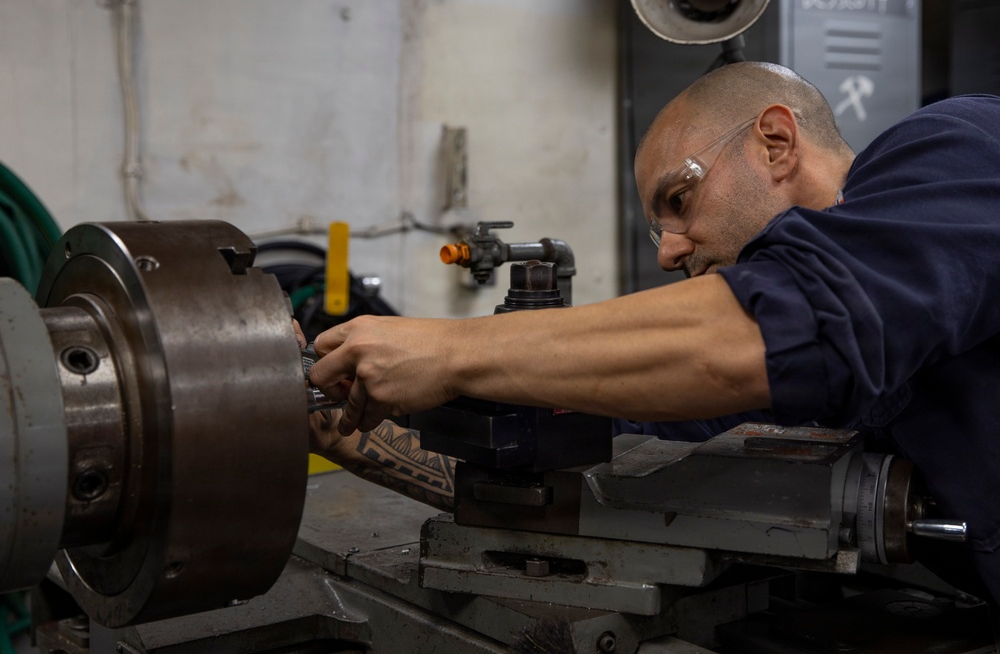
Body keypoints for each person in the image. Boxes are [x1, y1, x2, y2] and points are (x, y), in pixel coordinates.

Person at [305, 61, 1000, 606]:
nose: (669, 251)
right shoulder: (749, 372)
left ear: (777, 142)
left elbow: (787, 325)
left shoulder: (959, 147)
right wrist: (332, 421)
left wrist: (452, 349)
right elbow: (593, 458)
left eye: (680, 199)